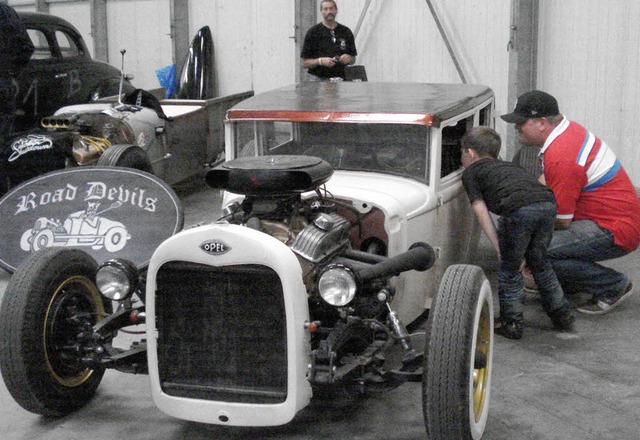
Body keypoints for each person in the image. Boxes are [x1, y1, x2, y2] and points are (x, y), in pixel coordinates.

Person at [501, 90, 640, 315]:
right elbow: (548, 182)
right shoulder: (566, 132)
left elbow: (561, 221)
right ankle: (571, 280)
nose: (516, 127)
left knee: (536, 250)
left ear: (542, 123)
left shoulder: (562, 155)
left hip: (616, 229)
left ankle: (613, 285)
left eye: (521, 122)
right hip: (613, 218)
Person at [461, 126, 574, 339]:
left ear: (471, 153)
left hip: (519, 209)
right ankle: (562, 315)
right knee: (540, 263)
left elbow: (480, 210)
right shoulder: (509, 167)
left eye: (462, 154)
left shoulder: (472, 172)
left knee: (510, 269)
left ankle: (511, 323)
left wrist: (498, 247)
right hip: (547, 204)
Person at [0, 2, 34, 194]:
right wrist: (10, 72)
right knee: (3, 142)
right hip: (3, 84)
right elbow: (26, 47)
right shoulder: (5, 12)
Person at [300, 0, 357, 81]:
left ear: (336, 10)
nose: (329, 11)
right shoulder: (313, 32)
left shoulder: (346, 31)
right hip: (318, 79)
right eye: (325, 9)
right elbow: (304, 63)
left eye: (331, 8)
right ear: (321, 12)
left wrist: (349, 58)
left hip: (342, 79)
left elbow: (353, 59)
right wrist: (320, 61)